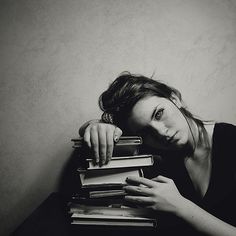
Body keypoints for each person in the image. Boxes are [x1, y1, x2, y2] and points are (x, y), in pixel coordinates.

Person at [78, 72, 236, 236]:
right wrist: (96, 125)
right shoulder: (157, 154)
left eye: (159, 114)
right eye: (146, 131)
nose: (161, 133)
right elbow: (88, 134)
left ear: (174, 99)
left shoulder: (231, 141)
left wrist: (180, 206)